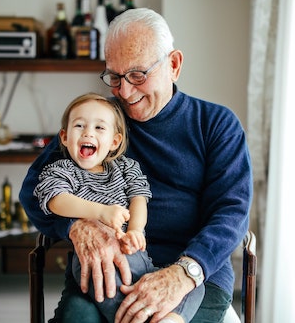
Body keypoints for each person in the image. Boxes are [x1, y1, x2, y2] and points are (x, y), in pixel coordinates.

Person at [20, 7, 253, 323]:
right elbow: (35, 189)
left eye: (137, 75)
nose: (124, 92)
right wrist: (76, 225)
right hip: (109, 267)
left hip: (193, 274)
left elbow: (232, 212)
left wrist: (182, 274)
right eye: (114, 76)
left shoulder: (216, 124)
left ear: (173, 65)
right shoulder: (100, 122)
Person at [33, 93, 204, 323]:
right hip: (95, 259)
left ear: (115, 141)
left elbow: (139, 199)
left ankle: (171, 319)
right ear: (64, 137)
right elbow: (56, 200)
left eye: (99, 127)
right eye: (79, 125)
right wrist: (100, 212)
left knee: (194, 286)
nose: (88, 133)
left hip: (137, 256)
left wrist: (135, 230)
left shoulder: (126, 167)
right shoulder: (63, 170)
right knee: (105, 284)